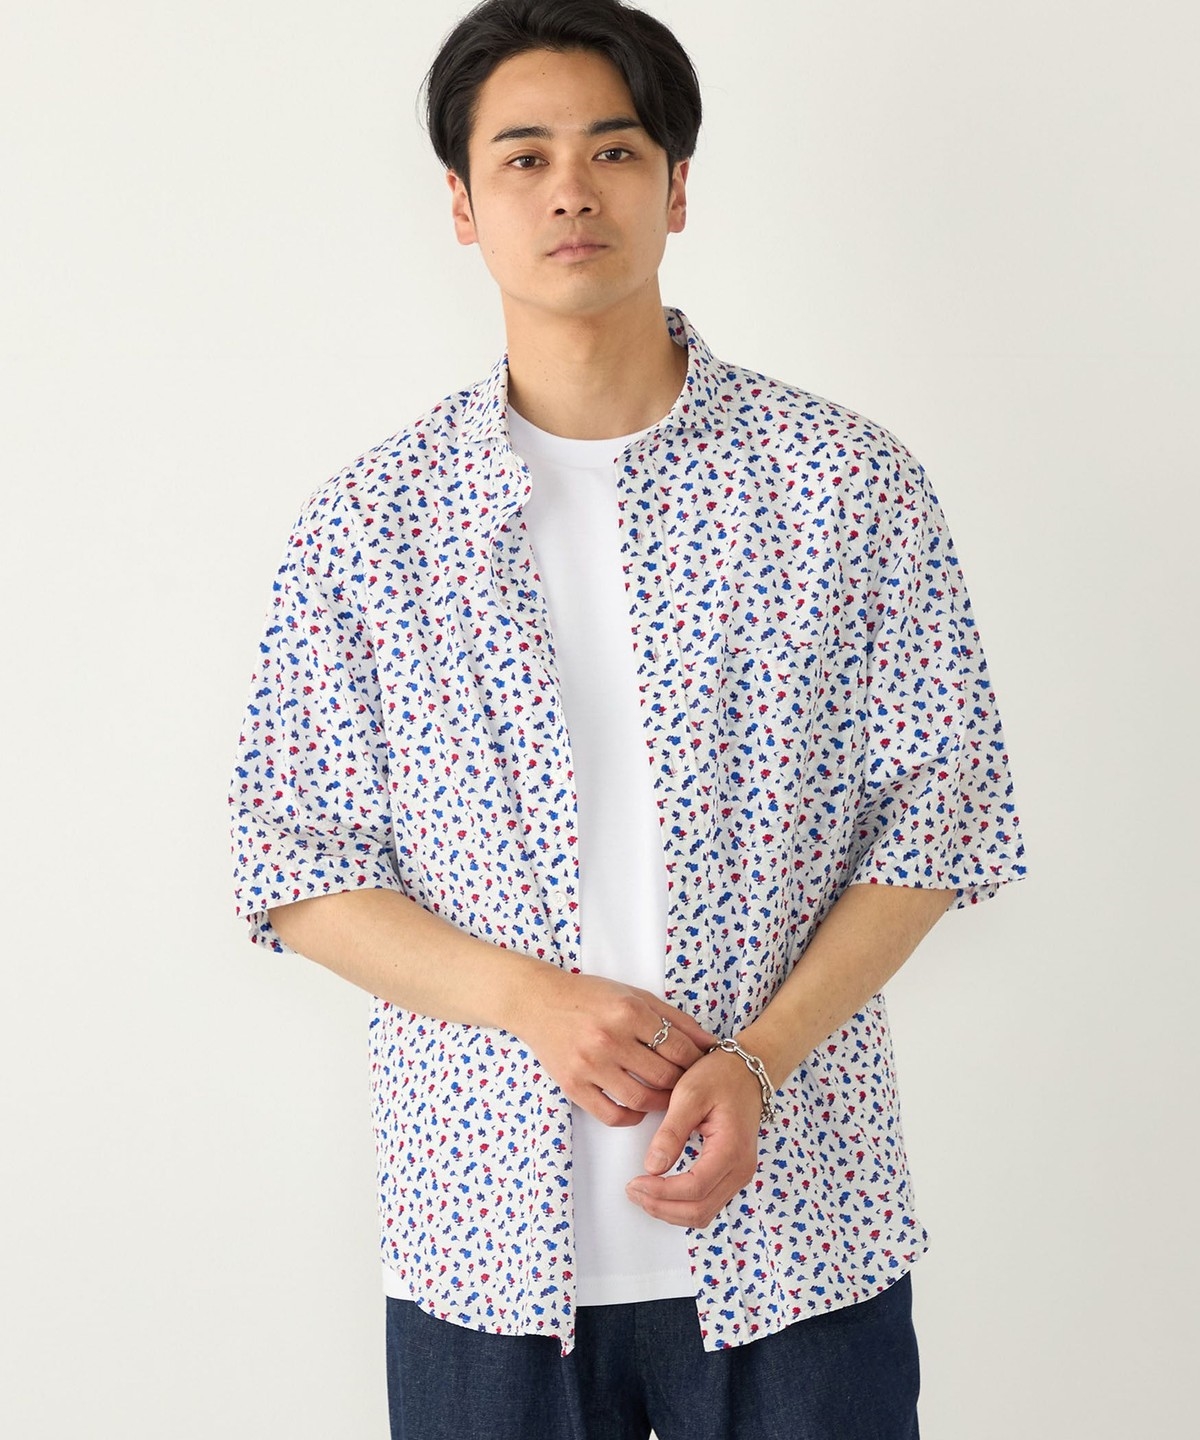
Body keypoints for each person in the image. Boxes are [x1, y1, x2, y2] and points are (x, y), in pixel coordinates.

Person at [228, 1, 1025, 1435]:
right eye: (523, 157)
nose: (571, 191)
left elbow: (942, 814)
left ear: (676, 186)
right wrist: (531, 1003)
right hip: (481, 1245)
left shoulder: (845, 485)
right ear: (463, 206)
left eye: (612, 149)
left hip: (805, 1228)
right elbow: (295, 861)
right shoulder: (371, 525)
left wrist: (761, 1057)